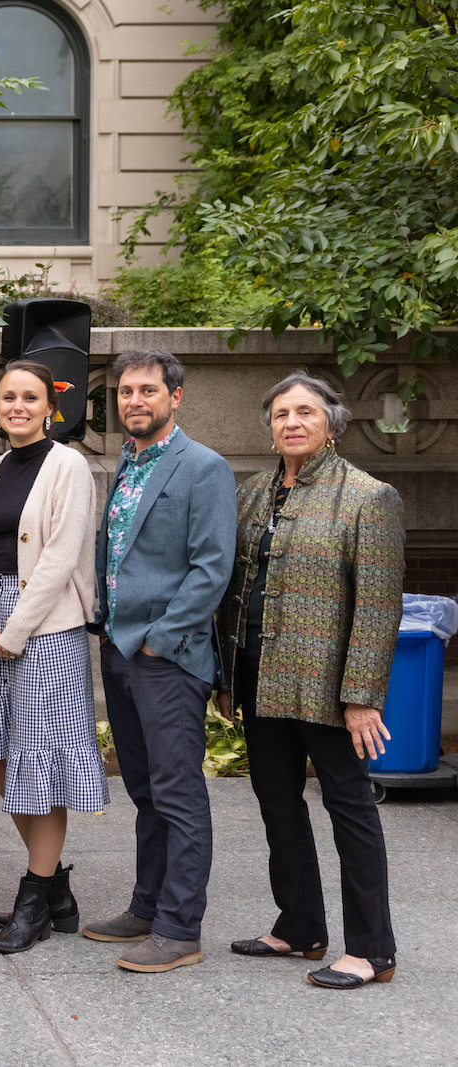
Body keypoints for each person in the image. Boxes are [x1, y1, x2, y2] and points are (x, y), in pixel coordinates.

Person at [218, 371, 403, 989]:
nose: (292, 422)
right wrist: (224, 677)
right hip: (259, 679)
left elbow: (379, 607)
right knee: (277, 803)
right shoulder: (250, 494)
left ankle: (373, 950)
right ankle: (299, 925)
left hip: (329, 687)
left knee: (349, 808)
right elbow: (231, 594)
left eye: (305, 412)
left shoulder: (367, 497)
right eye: (280, 414)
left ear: (331, 423)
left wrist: (361, 699)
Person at [82, 348, 236, 974]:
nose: (134, 401)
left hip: (166, 658)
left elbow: (211, 568)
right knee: (146, 791)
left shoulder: (203, 467)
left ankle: (180, 928)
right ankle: (147, 907)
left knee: (177, 793)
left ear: (176, 396)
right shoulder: (128, 461)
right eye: (125, 392)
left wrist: (159, 640)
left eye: (147, 390)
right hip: (120, 652)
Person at [0, 361, 110, 954]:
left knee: (38, 762)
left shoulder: (67, 464)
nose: (17, 406)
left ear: (51, 407)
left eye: (30, 397)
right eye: (7, 397)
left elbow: (62, 557)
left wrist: (12, 630)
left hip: (45, 629)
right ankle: (56, 890)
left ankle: (34, 896)